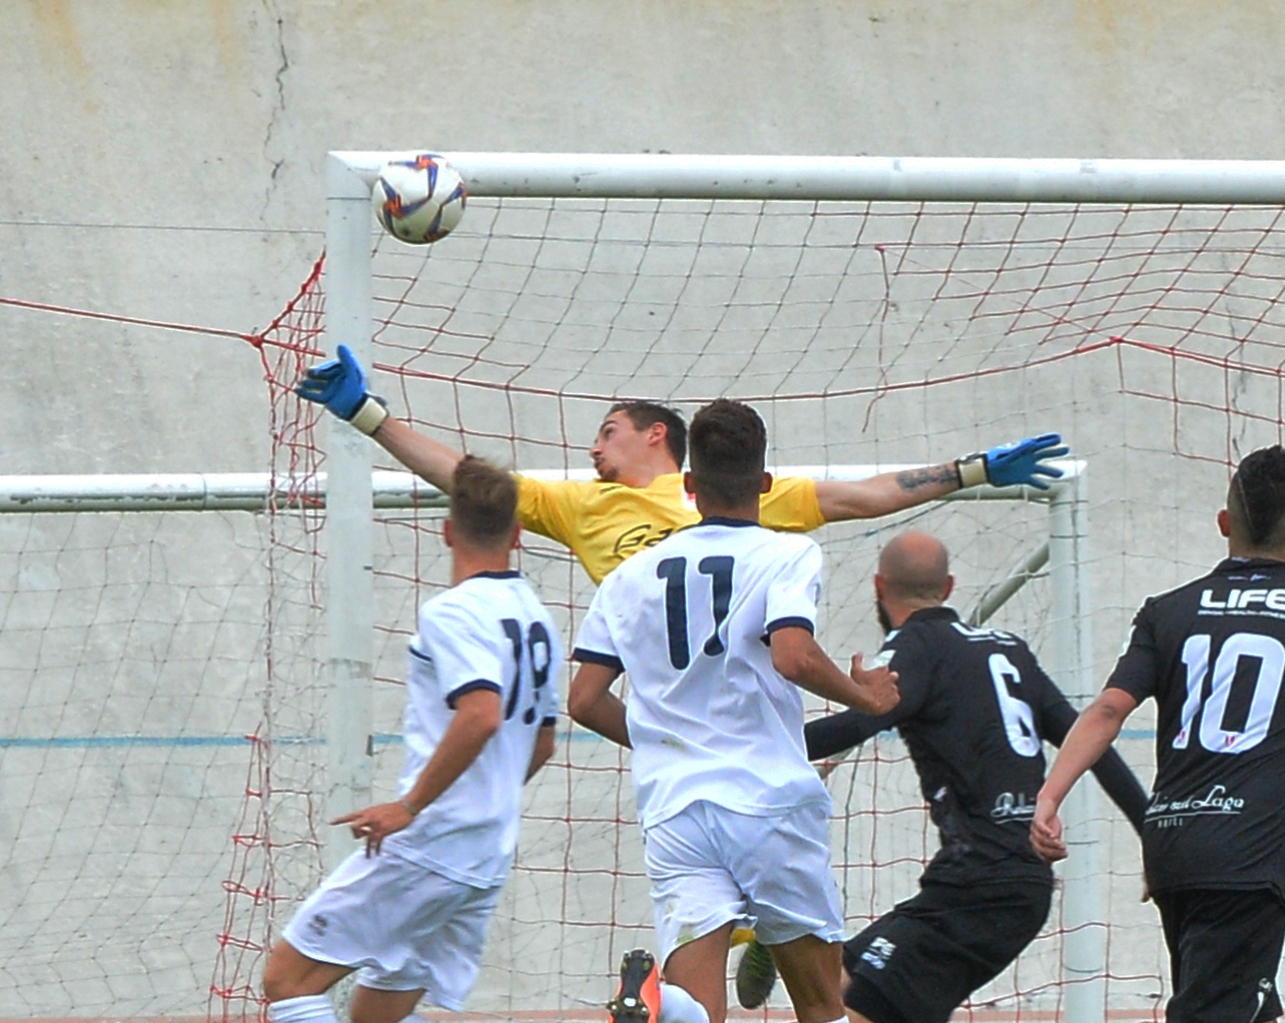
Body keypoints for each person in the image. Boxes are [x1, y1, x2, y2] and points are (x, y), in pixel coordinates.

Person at [566, 398, 901, 1023]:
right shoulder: (787, 554)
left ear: (688, 487)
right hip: (768, 800)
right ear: (766, 484)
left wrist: (666, 741)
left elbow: (583, 700)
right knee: (823, 1004)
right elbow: (793, 656)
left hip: (676, 810)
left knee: (700, 1005)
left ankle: (673, 1010)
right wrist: (866, 696)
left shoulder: (628, 576)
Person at [735, 530, 1149, 1021]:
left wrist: (741, 751)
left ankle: (777, 928)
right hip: (1005, 883)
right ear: (949, 587)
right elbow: (1092, 740)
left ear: (878, 587)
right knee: (834, 987)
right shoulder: (1010, 649)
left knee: (854, 1006)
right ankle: (777, 933)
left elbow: (858, 721)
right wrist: (1152, 837)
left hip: (980, 888)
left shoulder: (914, 648)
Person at [295, 344, 1069, 585]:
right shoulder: (575, 508)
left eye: (607, 431)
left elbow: (864, 496)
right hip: (669, 713)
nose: (591, 449)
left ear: (658, 437)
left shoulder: (730, 494)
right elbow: (466, 477)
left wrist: (967, 470)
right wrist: (370, 416)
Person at [261, 456, 562, 1023]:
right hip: (486, 851)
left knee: (288, 981)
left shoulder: (453, 613)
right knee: (378, 1012)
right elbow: (540, 744)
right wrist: (481, 799)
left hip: (433, 846)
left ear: (447, 531)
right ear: (518, 536)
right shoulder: (537, 618)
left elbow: (481, 715)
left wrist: (410, 806)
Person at [1033, 445, 1285, 1023]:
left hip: (1176, 838)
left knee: (1248, 1004)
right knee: (1216, 1010)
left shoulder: (1168, 610)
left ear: (1224, 524)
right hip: (1251, 850)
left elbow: (1104, 712)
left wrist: (1049, 798)